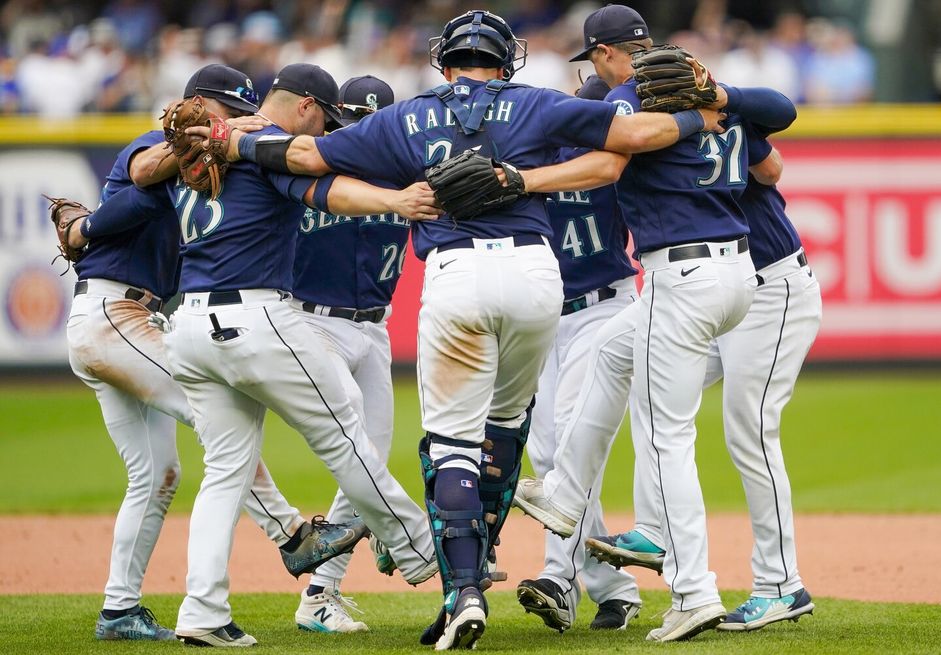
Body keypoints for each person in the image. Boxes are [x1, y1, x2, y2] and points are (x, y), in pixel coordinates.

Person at [214, 9, 725, 650]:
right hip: (538, 278)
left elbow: (310, 153)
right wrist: (702, 116)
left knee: (451, 443)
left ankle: (463, 590)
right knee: (507, 432)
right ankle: (503, 558)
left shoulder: (406, 116)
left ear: (445, 60)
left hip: (456, 275)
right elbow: (633, 135)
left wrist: (229, 142)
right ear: (506, 59)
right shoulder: (537, 103)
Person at [508, 3, 798, 642]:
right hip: (734, 269)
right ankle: (563, 494)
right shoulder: (699, 91)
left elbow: (616, 149)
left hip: (683, 274)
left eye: (600, 61)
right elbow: (773, 159)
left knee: (666, 434)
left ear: (609, 54)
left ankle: (694, 591)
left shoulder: (638, 105)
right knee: (614, 358)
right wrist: (711, 107)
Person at [62, 63, 366, 642]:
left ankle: (119, 610)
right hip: (114, 314)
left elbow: (134, 211)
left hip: (119, 314)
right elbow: (143, 178)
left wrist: (88, 228)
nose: (230, 121)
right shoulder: (163, 141)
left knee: (157, 475)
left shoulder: (212, 165)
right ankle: (292, 536)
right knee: (216, 423)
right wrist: (92, 227)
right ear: (199, 104)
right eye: (226, 109)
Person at [162, 63, 440, 647]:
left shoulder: (199, 155)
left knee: (230, 474)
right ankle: (418, 551)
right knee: (345, 436)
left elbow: (131, 194)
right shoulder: (266, 146)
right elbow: (320, 180)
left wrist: (88, 230)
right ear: (311, 108)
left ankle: (202, 611)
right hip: (274, 318)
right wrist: (394, 197)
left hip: (195, 322)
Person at [588, 127, 821, 632]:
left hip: (771, 285)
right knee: (645, 380)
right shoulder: (673, 126)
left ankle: (782, 585)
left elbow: (773, 164)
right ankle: (654, 528)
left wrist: (723, 99)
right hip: (715, 294)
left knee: (752, 432)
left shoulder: (706, 119)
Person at [515, 74, 642, 634]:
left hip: (604, 308)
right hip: (546, 316)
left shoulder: (616, 158)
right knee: (546, 454)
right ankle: (614, 585)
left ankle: (556, 577)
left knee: (570, 443)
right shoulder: (538, 154)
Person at [288, 74, 406, 634]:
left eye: (370, 126)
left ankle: (322, 593)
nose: (356, 134)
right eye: (349, 123)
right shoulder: (309, 168)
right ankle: (393, 536)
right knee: (356, 451)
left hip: (375, 330)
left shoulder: (409, 174)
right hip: (314, 325)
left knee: (371, 462)